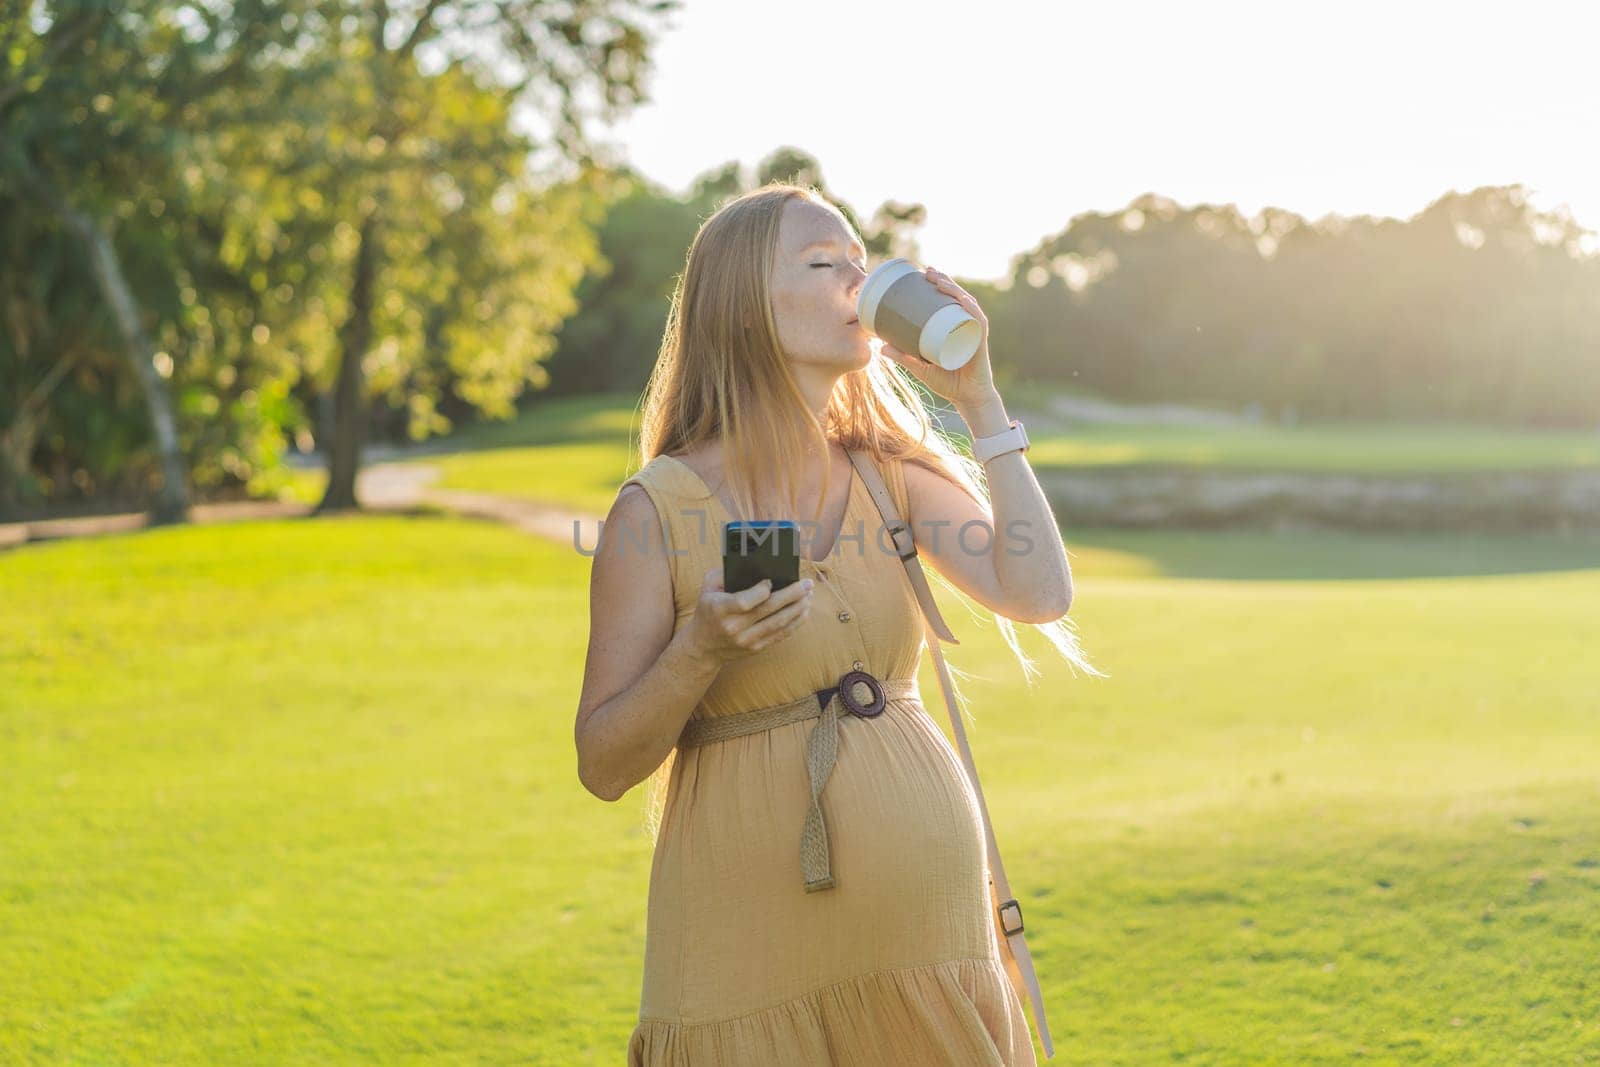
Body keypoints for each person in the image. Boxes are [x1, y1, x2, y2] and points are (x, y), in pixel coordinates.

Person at [575, 183, 1101, 1065]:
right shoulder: (655, 510)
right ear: (744, 306)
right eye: (826, 266)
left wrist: (980, 403)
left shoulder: (885, 472)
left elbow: (1039, 589)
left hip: (928, 939)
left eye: (861, 263)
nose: (859, 285)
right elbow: (604, 763)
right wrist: (700, 647)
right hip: (746, 951)